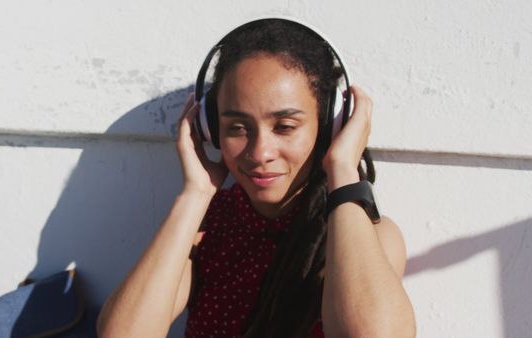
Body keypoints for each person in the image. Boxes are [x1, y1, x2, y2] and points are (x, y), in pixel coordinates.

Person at [96, 18, 416, 338]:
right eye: (237, 127)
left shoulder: (368, 236)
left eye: (285, 127)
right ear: (211, 129)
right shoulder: (206, 227)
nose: (260, 153)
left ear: (329, 126)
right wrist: (196, 193)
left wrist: (343, 169)